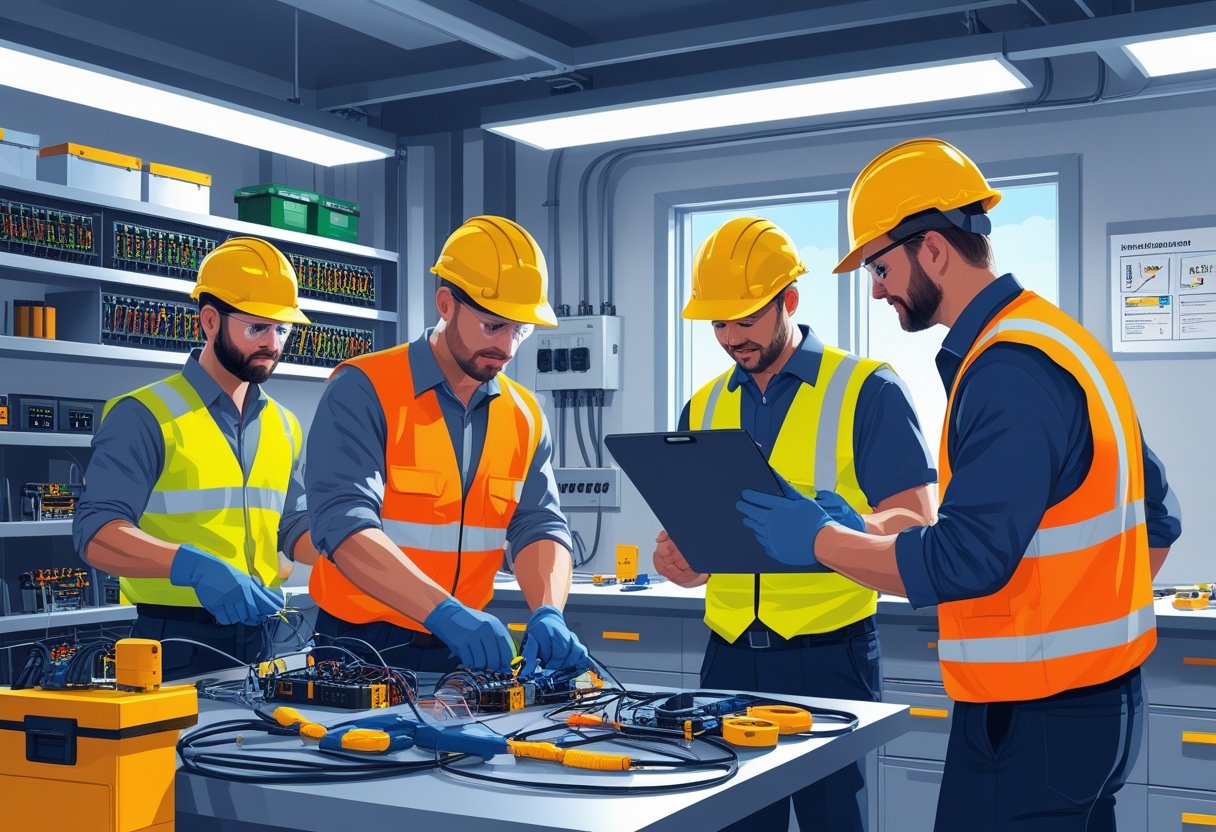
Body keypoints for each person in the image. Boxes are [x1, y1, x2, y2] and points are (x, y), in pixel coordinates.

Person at [738, 138, 1182, 831]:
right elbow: (1159, 515)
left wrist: (822, 542)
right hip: (1098, 706)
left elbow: (965, 561)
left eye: (881, 266)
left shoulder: (1008, 370)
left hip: (1031, 719)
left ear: (935, 250)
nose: (878, 287)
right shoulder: (1060, 340)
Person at [653, 216, 937, 832]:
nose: (731, 338)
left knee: (831, 821)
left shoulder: (868, 389)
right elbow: (697, 557)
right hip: (727, 655)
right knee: (729, 819)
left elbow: (918, 521)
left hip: (828, 654)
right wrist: (679, 561)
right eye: (718, 323)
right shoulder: (702, 405)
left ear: (790, 300)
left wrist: (845, 526)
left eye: (746, 319)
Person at [305, 215, 588, 677]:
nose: (508, 347)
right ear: (445, 304)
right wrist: (442, 611)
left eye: (521, 330)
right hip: (360, 647)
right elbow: (343, 524)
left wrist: (548, 609)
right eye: (493, 325)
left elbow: (538, 525)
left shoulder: (525, 415)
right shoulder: (365, 388)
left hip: (465, 651)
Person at [75, 237, 319, 679]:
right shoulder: (144, 414)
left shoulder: (285, 424)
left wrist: (347, 551)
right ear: (210, 321)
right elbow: (96, 533)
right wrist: (191, 566)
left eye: (282, 329)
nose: (272, 343)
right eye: (256, 328)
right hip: (172, 641)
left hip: (262, 639)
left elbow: (291, 527)